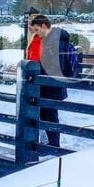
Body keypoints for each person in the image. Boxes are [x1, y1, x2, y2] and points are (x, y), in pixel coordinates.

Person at [26, 14, 68, 147]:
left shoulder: (55, 40)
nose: (35, 33)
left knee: (50, 115)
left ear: (43, 26)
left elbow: (57, 65)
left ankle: (54, 145)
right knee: (41, 114)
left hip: (50, 85)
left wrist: (39, 72)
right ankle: (44, 143)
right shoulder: (40, 39)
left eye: (36, 30)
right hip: (39, 84)